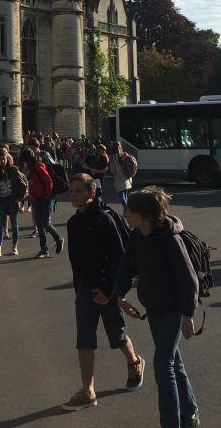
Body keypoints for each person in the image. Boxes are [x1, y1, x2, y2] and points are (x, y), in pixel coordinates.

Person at [116, 187, 200, 428]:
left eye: (130, 211)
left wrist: (188, 315)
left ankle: (171, 423)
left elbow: (189, 280)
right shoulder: (137, 237)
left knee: (163, 365)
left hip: (174, 309)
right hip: (153, 308)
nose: (126, 215)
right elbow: (127, 266)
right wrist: (119, 295)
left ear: (146, 216)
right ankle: (191, 412)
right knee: (173, 362)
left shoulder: (171, 240)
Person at [60, 173, 144, 411]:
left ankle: (135, 361)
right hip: (86, 290)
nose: (73, 195)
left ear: (91, 193)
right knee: (84, 339)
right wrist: (81, 288)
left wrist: (108, 290)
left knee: (117, 335)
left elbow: (120, 257)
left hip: (108, 290)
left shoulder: (105, 219)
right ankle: (88, 391)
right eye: (71, 191)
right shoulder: (73, 223)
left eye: (78, 191)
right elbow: (76, 261)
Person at [19, 148, 64, 258]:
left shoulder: (38, 166)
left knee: (45, 222)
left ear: (27, 158)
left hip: (46, 197)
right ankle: (44, 250)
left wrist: (48, 195)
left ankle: (58, 238)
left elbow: (49, 181)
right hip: (38, 197)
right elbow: (32, 183)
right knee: (39, 224)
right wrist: (31, 195)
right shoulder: (30, 167)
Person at [0, 146, 28, 257]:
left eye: (4, 159)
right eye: (0, 159)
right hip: (1, 200)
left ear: (7, 158)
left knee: (14, 224)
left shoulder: (13, 170)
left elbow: (24, 184)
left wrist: (20, 199)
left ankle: (14, 247)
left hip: (12, 200)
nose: (2, 161)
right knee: (0, 225)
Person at [109, 141, 134, 212]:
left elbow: (113, 169)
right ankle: (126, 211)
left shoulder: (114, 156)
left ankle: (127, 210)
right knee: (125, 195)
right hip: (127, 177)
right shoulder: (124, 154)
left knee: (121, 196)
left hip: (120, 178)